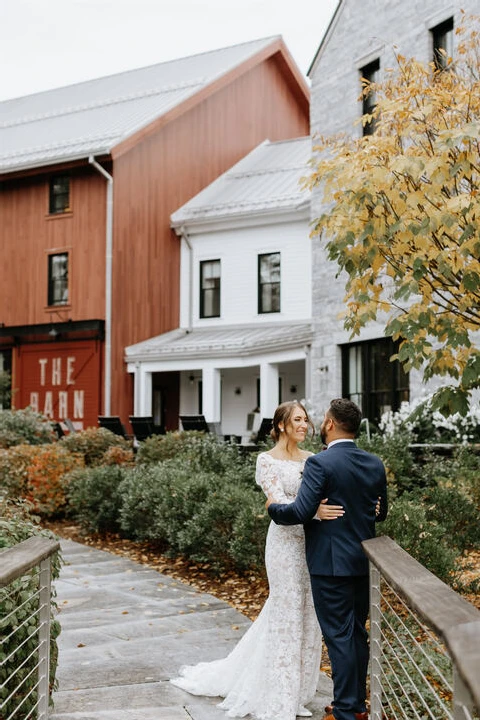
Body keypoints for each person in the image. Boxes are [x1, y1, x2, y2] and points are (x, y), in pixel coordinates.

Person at [170, 400, 344, 720]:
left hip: (314, 545)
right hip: (284, 546)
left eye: (307, 419)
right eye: (298, 420)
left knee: (308, 616)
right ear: (280, 425)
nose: (305, 425)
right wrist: (313, 511)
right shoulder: (267, 461)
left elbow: (328, 497)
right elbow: (280, 507)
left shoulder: (314, 459)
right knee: (287, 615)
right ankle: (279, 695)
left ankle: (299, 692)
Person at [267, 398, 388, 720]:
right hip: (363, 562)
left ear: (331, 424)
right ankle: (355, 704)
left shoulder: (320, 464)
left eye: (321, 420)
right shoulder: (374, 463)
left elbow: (299, 512)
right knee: (356, 633)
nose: (318, 424)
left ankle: (347, 710)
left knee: (339, 636)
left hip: (329, 564)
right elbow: (381, 512)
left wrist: (272, 509)